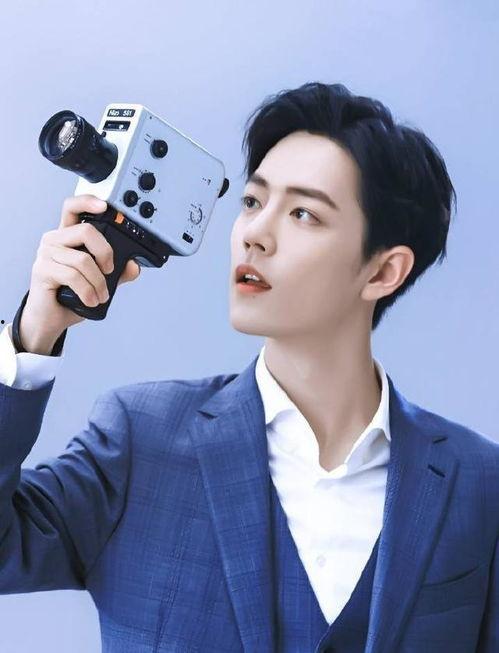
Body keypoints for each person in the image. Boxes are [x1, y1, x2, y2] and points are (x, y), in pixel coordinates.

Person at [0, 81, 497, 652]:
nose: (255, 235)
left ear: (384, 272)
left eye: (304, 213)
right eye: (253, 202)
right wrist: (34, 334)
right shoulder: (140, 439)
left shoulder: (479, 482)